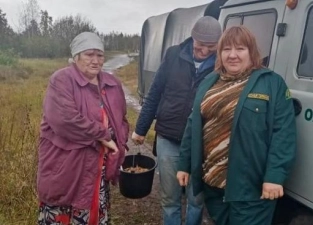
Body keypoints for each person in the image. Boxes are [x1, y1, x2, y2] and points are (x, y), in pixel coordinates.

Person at [176, 26, 297, 225]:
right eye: (226, 49)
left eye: (240, 49)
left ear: (252, 52)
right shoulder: (209, 82)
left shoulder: (272, 84)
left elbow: (283, 133)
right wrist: (184, 164)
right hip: (213, 183)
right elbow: (193, 125)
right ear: (220, 53)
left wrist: (275, 176)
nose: (232, 55)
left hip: (251, 188)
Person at [131, 16, 222, 225]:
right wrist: (141, 128)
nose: (205, 51)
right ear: (193, 38)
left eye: (211, 46)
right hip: (168, 138)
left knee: (196, 198)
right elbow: (155, 92)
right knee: (170, 197)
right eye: (201, 45)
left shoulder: (221, 64)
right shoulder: (173, 55)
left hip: (201, 143)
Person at [37, 32, 129, 225]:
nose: (95, 61)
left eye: (100, 55)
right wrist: (103, 135)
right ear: (76, 56)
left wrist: (121, 141)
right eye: (89, 54)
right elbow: (65, 120)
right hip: (68, 165)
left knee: (95, 209)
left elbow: (122, 119)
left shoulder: (112, 83)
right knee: (65, 209)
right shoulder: (62, 80)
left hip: (99, 166)